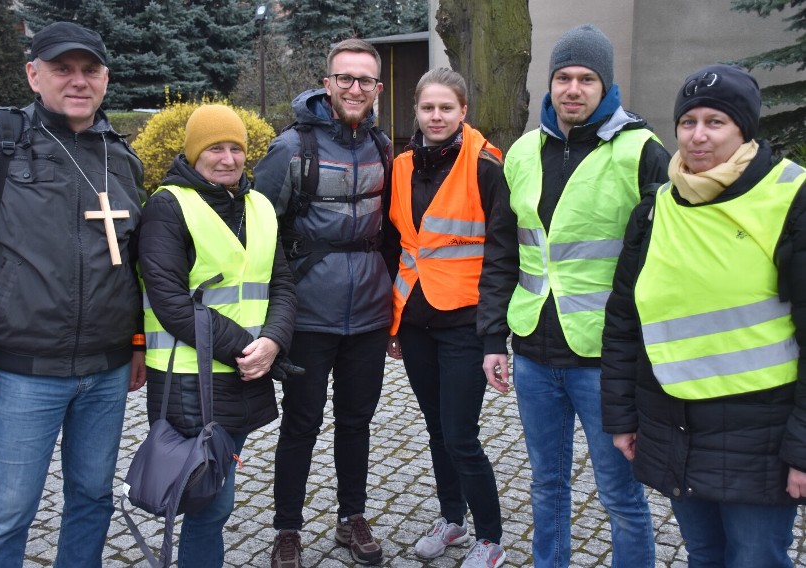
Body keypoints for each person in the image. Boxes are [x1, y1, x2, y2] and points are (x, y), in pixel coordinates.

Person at [0, 21, 147, 568]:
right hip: (21, 369)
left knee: (92, 498)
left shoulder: (121, 158)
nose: (78, 80)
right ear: (33, 74)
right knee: (9, 509)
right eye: (63, 68)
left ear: (106, 78)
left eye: (90, 70)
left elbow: (136, 263)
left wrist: (136, 341)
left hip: (106, 370)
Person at [601, 63, 806, 567]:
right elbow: (624, 323)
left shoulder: (790, 199)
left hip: (761, 432)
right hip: (675, 425)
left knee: (756, 558)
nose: (698, 136)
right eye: (688, 122)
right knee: (704, 555)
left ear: (745, 130)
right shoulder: (655, 209)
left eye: (716, 122)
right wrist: (622, 416)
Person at [487, 24, 671, 567]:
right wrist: (492, 338)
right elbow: (503, 251)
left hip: (605, 361)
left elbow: (663, 260)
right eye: (563, 77)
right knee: (546, 485)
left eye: (586, 78)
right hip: (534, 355)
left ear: (606, 84)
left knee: (620, 495)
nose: (573, 88)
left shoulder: (642, 151)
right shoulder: (521, 153)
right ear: (550, 83)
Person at [138, 104, 297, 567]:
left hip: (242, 372)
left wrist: (274, 341)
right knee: (209, 500)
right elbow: (169, 301)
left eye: (235, 148)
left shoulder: (259, 205)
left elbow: (281, 283)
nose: (227, 158)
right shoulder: (168, 206)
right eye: (214, 149)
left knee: (211, 493)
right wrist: (248, 348)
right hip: (190, 379)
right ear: (193, 153)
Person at [253, 38, 392, 567]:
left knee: (357, 421)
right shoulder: (290, 148)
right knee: (302, 423)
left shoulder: (383, 147)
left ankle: (351, 516)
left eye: (366, 80)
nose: (355, 88)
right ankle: (287, 527)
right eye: (345, 78)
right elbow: (259, 231)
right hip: (308, 314)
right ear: (328, 83)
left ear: (377, 89)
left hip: (371, 314)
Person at [384, 68, 516, 567]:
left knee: (461, 435)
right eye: (427, 108)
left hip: (466, 322)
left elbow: (503, 253)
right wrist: (394, 324)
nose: (435, 116)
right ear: (416, 112)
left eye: (446, 108)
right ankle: (452, 519)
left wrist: (492, 339)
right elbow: (398, 245)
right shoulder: (401, 166)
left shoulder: (484, 167)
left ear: (463, 112)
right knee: (437, 429)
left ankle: (491, 537)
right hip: (416, 320)